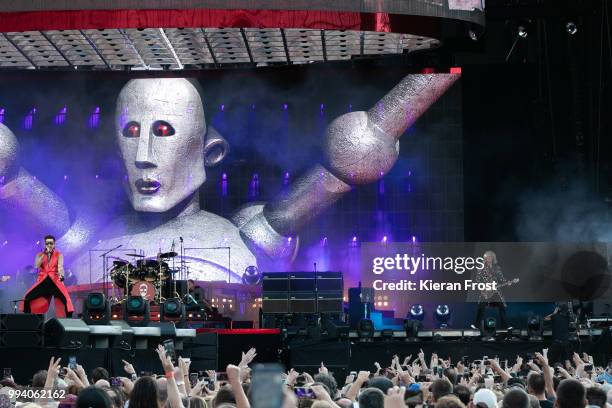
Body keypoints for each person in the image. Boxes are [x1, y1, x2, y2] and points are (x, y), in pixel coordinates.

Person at [21, 235, 74, 317]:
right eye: (47, 243)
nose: (49, 245)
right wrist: (43, 255)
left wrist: (61, 275)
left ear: (54, 244)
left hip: (55, 281)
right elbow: (36, 265)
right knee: (28, 297)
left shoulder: (59, 254)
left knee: (66, 300)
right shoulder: (40, 254)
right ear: (45, 244)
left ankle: (69, 323)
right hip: (43, 281)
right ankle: (28, 319)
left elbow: (60, 267)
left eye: (51, 243)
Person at [472, 250, 512, 329]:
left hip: (495, 290)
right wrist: (482, 287)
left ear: (493, 258)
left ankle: (505, 326)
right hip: (486, 291)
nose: (488, 258)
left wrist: (508, 282)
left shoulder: (497, 268)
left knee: (501, 307)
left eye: (490, 257)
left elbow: (501, 278)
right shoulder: (481, 268)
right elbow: (477, 280)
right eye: (487, 257)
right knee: (481, 307)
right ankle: (476, 325)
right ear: (485, 258)